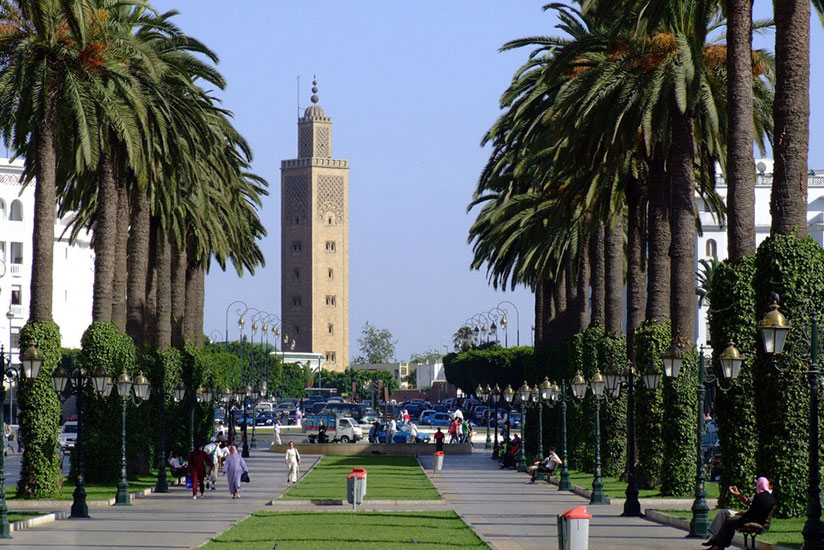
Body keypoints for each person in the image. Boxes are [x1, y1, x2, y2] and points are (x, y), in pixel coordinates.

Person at [706, 477, 776, 550]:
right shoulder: (771, 498)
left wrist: (742, 515)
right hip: (762, 521)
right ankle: (718, 544)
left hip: (755, 521)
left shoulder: (758, 497)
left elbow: (752, 512)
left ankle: (719, 545)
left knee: (729, 522)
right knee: (729, 520)